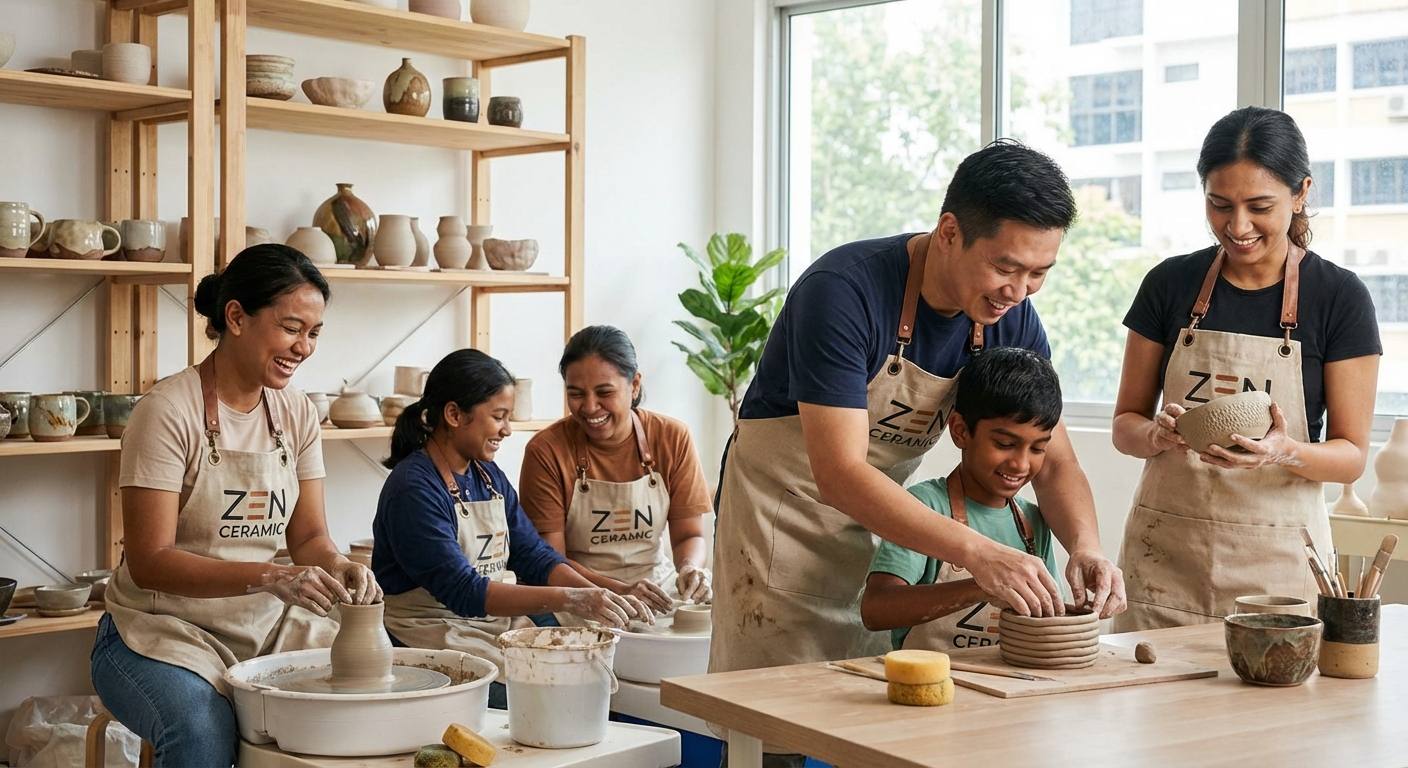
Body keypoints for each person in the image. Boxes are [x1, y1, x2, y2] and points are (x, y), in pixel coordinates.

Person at [91, 245, 381, 767]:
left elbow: (309, 538)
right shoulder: (165, 411)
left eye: (314, 333)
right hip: (160, 632)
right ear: (236, 317)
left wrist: (340, 565)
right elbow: (150, 561)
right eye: (292, 327)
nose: (304, 347)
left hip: (266, 624)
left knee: (365, 694)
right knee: (204, 730)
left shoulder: (296, 413)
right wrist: (270, 577)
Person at [1112, 107, 1382, 631]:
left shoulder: (1339, 298)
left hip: (1277, 566)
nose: (1237, 227)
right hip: (1167, 554)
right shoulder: (1169, 284)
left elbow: (1350, 457)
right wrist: (1156, 436)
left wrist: (1286, 451)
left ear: (1301, 193)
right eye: (1219, 205)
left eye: (1260, 206)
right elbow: (1125, 424)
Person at [371, 348, 653, 706]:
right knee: (539, 695)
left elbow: (534, 557)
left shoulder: (487, 476)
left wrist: (607, 592)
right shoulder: (414, 487)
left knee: (577, 663)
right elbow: (463, 590)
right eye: (499, 416)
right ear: (455, 414)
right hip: (427, 629)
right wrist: (574, 598)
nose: (507, 429)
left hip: (484, 620)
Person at [862, 348, 1064, 651]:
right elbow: (876, 610)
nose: (1021, 464)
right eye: (1005, 444)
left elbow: (1051, 616)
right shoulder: (926, 505)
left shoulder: (1033, 522)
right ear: (960, 431)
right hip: (930, 686)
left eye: (1037, 449)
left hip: (1013, 689)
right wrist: (979, 586)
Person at [519, 326, 714, 616]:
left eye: (604, 392)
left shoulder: (672, 437)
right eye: (576, 394)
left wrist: (690, 568)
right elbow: (550, 560)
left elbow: (689, 536)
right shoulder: (546, 451)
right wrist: (615, 590)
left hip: (658, 593)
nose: (589, 407)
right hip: (579, 597)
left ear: (634, 385)